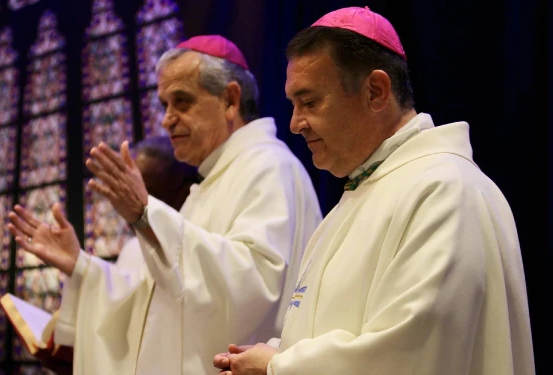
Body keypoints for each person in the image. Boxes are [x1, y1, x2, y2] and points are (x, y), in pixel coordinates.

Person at [213, 7, 535, 375]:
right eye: (293, 104)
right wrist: (274, 353)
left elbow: (411, 354)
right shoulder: (359, 194)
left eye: (310, 102)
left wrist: (279, 367)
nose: (295, 123)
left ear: (376, 92)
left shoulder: (444, 191)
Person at [13, 35, 323, 374]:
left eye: (182, 102)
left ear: (230, 100)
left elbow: (251, 288)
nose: (166, 119)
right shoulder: (212, 182)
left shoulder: (269, 168)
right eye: (164, 105)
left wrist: (146, 215)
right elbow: (158, 304)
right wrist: (83, 268)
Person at [8, 135, 199, 374]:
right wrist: (79, 265)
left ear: (182, 188)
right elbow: (121, 323)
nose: (130, 204)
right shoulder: (132, 249)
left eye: (145, 194)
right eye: (124, 194)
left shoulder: (198, 240)